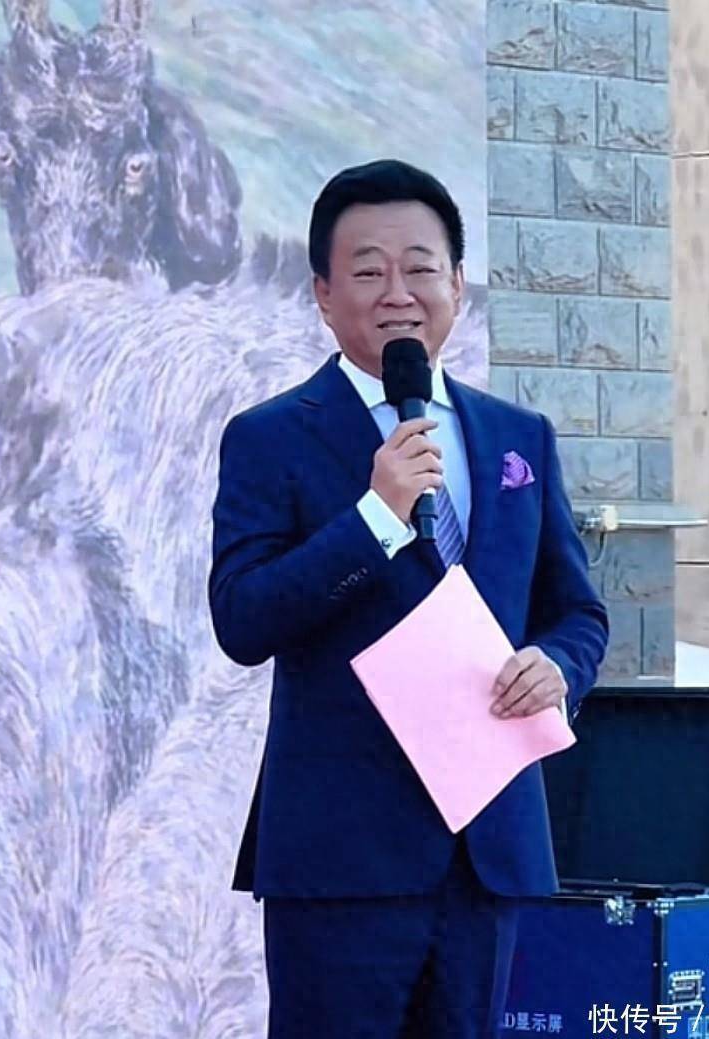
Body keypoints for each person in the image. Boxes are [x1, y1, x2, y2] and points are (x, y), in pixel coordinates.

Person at [208, 158, 608, 1039]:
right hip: (340, 856)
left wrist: (559, 666)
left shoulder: (519, 437)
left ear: (457, 283)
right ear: (323, 294)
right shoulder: (271, 436)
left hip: (485, 848)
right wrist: (373, 520)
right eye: (368, 271)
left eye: (421, 267)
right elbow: (242, 617)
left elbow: (578, 612)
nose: (398, 293)